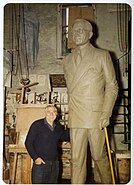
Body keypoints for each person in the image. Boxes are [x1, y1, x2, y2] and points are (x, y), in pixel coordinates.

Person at [63, 18, 118, 184]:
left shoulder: (102, 56)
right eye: (74, 31)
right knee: (76, 159)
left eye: (80, 30)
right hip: (76, 114)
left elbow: (112, 86)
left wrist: (106, 112)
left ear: (90, 34)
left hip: (95, 116)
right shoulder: (67, 60)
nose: (76, 33)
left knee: (99, 156)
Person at [25, 104, 70, 184]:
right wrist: (35, 158)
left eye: (54, 112)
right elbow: (28, 142)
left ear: (57, 114)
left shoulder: (58, 127)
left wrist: (72, 126)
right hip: (41, 164)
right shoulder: (37, 125)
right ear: (45, 113)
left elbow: (66, 137)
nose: (51, 114)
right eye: (49, 112)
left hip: (54, 164)